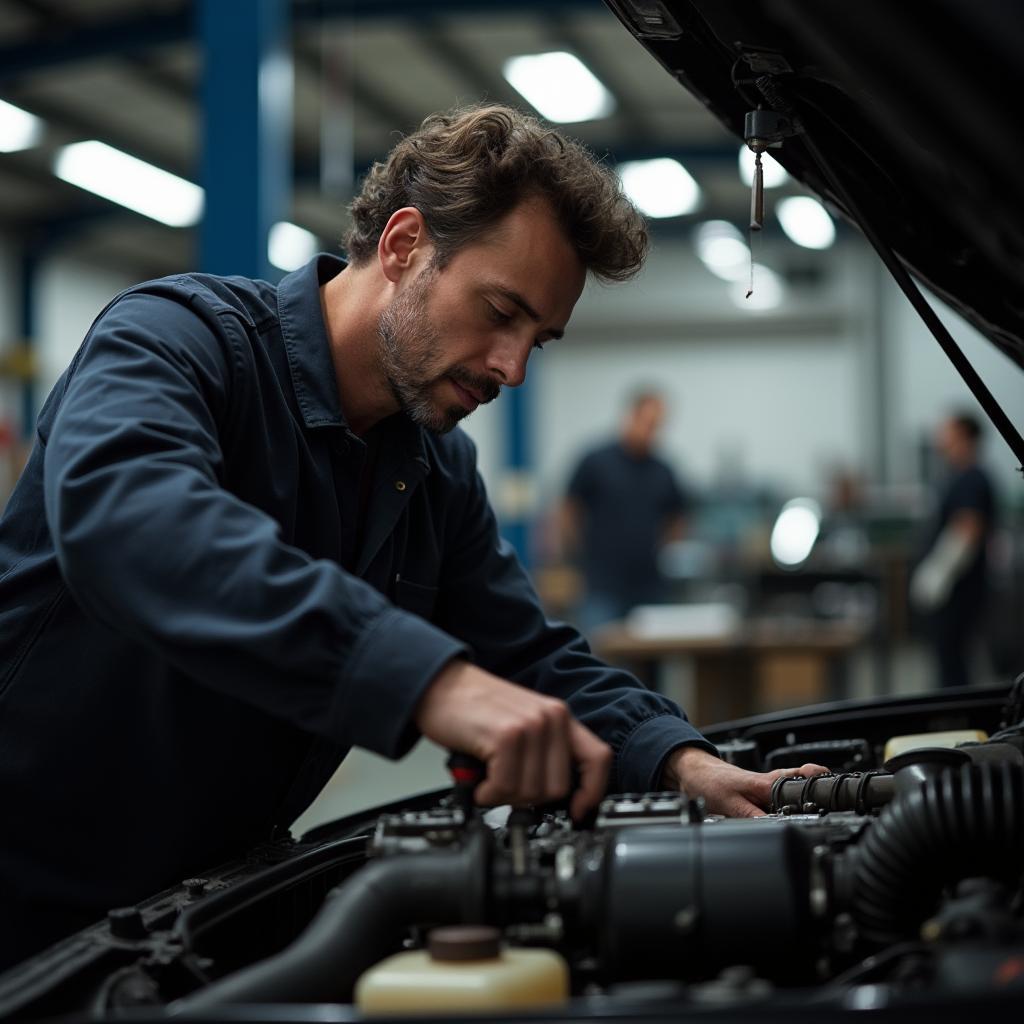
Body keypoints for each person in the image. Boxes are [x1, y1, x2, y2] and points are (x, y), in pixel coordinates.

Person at [0, 105, 821, 968]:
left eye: (538, 339)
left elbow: (527, 656)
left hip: (193, 914)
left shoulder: (432, 469)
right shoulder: (178, 340)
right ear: (402, 246)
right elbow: (134, 525)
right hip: (25, 902)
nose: (513, 367)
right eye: (500, 311)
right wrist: (427, 680)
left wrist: (671, 758)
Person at [562, 390, 690, 630]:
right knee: (601, 657)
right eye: (648, 423)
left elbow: (677, 516)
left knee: (653, 660)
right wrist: (576, 554)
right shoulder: (596, 461)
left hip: (650, 585)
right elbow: (569, 509)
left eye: (657, 425)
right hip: (602, 584)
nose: (652, 431)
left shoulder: (663, 470)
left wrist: (662, 548)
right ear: (631, 417)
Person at [910, 411, 996, 688]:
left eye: (946, 430)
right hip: (952, 591)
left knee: (953, 662)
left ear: (963, 436)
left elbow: (968, 528)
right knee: (947, 659)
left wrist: (937, 574)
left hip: (958, 590)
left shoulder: (971, 478)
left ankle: (958, 724)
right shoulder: (953, 476)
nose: (939, 436)